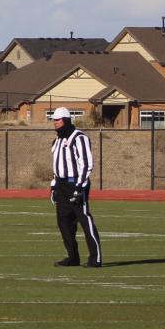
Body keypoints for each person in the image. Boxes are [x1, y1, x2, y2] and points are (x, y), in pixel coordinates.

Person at [49, 106, 102, 267]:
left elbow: (86, 164)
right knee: (64, 222)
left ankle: (96, 258)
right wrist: (54, 185)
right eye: (54, 120)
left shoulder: (79, 138)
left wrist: (79, 187)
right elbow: (56, 165)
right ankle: (73, 257)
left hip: (75, 184)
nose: (55, 123)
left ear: (65, 120)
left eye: (57, 120)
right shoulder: (57, 140)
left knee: (84, 220)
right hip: (62, 185)